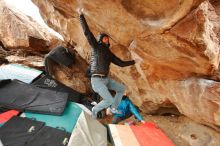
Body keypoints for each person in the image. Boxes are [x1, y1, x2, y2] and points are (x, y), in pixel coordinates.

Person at [77, 8, 135, 119]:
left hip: (106, 79)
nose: (107, 40)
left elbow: (121, 63)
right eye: (104, 38)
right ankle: (95, 109)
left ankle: (113, 107)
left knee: (121, 89)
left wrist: (134, 62)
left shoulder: (109, 53)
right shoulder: (96, 46)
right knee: (108, 99)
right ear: (100, 39)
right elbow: (87, 33)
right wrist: (81, 16)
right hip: (97, 80)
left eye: (108, 39)